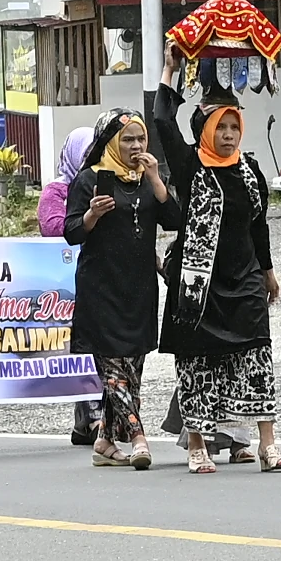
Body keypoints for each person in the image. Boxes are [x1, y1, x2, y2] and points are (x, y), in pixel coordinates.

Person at [149, 83, 281, 475]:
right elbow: (162, 118)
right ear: (206, 129)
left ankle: (268, 444)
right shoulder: (190, 165)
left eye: (233, 127)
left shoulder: (250, 170)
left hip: (243, 279)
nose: (228, 135)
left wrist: (268, 271)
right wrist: (169, 70)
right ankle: (197, 445)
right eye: (220, 127)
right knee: (197, 362)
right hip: (197, 284)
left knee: (259, 355)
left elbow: (259, 225)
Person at [65, 110, 175, 468]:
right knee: (114, 371)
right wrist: (92, 215)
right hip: (101, 289)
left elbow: (174, 219)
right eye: (127, 139)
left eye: (140, 139)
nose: (135, 146)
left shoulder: (146, 180)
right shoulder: (88, 180)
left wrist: (157, 179)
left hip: (139, 287)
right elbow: (71, 232)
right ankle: (139, 438)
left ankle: (105, 442)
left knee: (132, 372)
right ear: (111, 142)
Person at [37, 126, 99, 448]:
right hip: (65, 283)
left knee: (95, 346)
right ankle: (91, 416)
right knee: (78, 347)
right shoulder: (56, 192)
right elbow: (54, 232)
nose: (91, 159)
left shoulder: (104, 183)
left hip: (101, 278)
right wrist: (88, 219)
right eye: (86, 154)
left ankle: (88, 421)